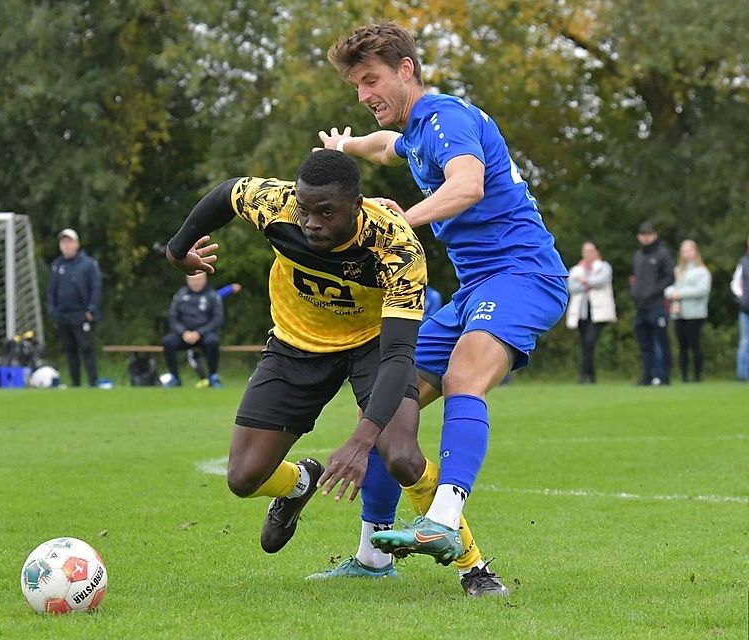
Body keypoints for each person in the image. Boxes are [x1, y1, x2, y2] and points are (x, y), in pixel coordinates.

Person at [166, 150, 496, 594]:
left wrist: (363, 440)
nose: (311, 223)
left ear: (357, 206)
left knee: (399, 453)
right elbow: (228, 193)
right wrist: (177, 248)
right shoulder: (277, 204)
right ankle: (299, 483)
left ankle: (474, 570)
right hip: (295, 345)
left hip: (373, 345)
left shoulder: (394, 246)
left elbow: (399, 357)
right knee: (244, 477)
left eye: (326, 212)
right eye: (305, 210)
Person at [316, 22, 569, 594]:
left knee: (462, 379)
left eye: (371, 80)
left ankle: (444, 519)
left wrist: (397, 221)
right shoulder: (414, 133)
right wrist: (346, 147)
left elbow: (468, 186)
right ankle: (372, 554)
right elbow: (385, 148)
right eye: (356, 85)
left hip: (523, 275)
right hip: (473, 290)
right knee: (387, 405)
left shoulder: (446, 118)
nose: (363, 94)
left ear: (407, 69)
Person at [46, 228, 102, 387]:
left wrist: (91, 310)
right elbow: (51, 291)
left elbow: (96, 287)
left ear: (77, 244)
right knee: (70, 350)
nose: (66, 245)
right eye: (63, 242)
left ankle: (93, 382)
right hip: (63, 315)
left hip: (81, 314)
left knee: (86, 348)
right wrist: (52, 311)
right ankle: (75, 383)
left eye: (69, 242)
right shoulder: (57, 266)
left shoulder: (88, 264)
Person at [630, 221, 675, 386]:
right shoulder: (638, 256)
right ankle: (646, 376)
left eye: (648, 234)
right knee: (644, 343)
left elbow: (670, 276)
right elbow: (635, 277)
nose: (646, 237)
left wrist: (655, 291)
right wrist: (635, 291)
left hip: (657, 303)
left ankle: (664, 376)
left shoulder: (663, 254)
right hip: (640, 305)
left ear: (654, 235)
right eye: (643, 234)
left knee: (661, 341)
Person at [161, 272, 225, 388]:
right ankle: (175, 378)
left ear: (205, 279)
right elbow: (172, 317)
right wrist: (183, 332)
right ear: (187, 280)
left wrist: (199, 332)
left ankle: (213, 377)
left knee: (213, 342)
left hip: (204, 334)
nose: (196, 282)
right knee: (167, 342)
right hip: (184, 334)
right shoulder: (180, 294)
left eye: (199, 279)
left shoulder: (212, 295)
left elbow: (218, 319)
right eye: (193, 280)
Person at [566, 241, 617, 383]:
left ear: (596, 252)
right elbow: (572, 287)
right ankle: (591, 376)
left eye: (590, 251)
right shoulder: (576, 269)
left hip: (598, 312)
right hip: (582, 311)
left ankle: (583, 375)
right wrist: (588, 284)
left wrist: (584, 281)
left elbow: (601, 281)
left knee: (589, 342)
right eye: (585, 251)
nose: (588, 254)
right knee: (585, 344)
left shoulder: (604, 267)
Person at [664, 239, 711, 382]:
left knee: (694, 344)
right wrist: (671, 293)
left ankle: (697, 376)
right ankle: (684, 376)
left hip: (695, 313)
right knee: (682, 345)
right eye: (684, 251)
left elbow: (702, 290)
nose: (686, 254)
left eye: (689, 250)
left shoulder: (702, 271)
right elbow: (671, 287)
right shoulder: (678, 271)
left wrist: (682, 293)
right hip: (679, 313)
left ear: (695, 252)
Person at [729, 233, 749, 382]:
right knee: (745, 342)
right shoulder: (743, 262)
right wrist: (741, 299)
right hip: (746, 308)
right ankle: (742, 374)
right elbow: (735, 284)